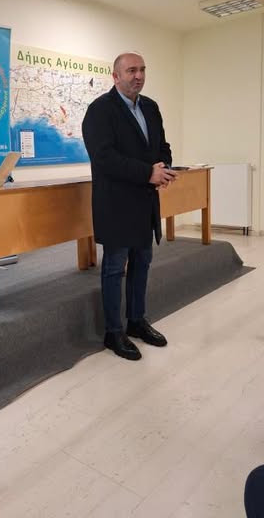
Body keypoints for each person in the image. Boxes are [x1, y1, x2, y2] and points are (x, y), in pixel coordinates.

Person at [82, 52, 177, 360]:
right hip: (117, 203)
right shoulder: (100, 111)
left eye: (142, 70)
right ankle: (113, 332)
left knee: (142, 262)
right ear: (116, 76)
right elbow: (104, 158)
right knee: (114, 268)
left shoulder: (150, 107)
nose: (139, 75)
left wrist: (164, 167)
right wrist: (148, 172)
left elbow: (162, 146)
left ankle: (136, 321)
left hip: (145, 202)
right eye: (131, 70)